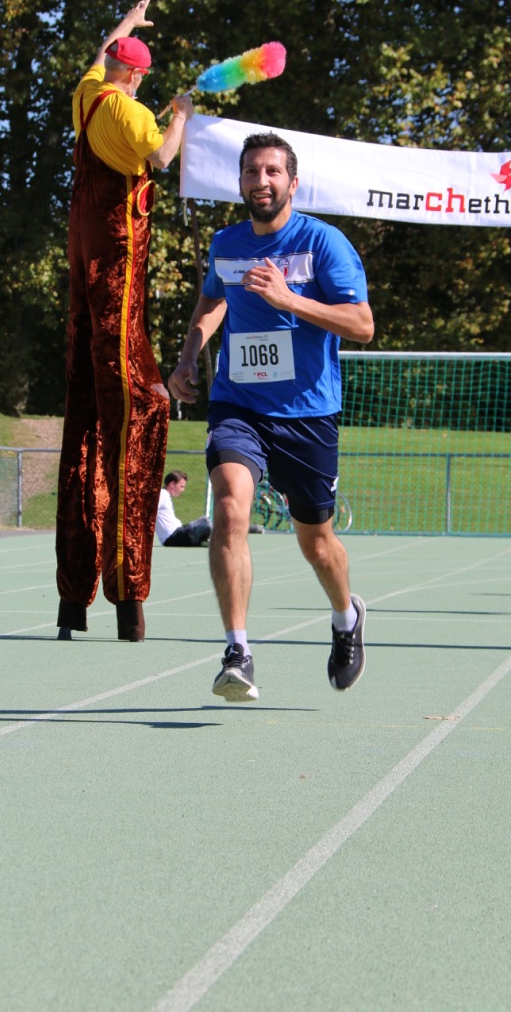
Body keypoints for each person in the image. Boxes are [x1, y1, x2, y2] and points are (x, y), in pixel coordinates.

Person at [168, 132, 374, 701]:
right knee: (229, 507)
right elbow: (212, 300)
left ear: (292, 182)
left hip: (307, 414)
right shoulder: (226, 244)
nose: (261, 181)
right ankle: (237, 651)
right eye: (251, 171)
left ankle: (347, 616)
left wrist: (290, 301)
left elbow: (362, 325)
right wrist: (189, 355)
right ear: (239, 182)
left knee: (317, 543)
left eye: (272, 171)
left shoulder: (323, 242)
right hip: (239, 404)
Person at [56, 0, 194, 644]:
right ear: (136, 75)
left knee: (83, 411)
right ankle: (126, 595)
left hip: (81, 265)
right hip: (115, 270)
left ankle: (73, 601)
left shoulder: (88, 95)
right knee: (135, 410)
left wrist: (127, 24)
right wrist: (182, 116)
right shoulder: (132, 114)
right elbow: (162, 158)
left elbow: (98, 55)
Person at [155, 470, 212, 547]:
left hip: (178, 534)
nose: (183, 490)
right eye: (181, 486)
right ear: (172, 484)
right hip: (173, 537)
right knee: (206, 524)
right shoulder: (162, 494)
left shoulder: (165, 495)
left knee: (204, 521)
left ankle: (202, 541)